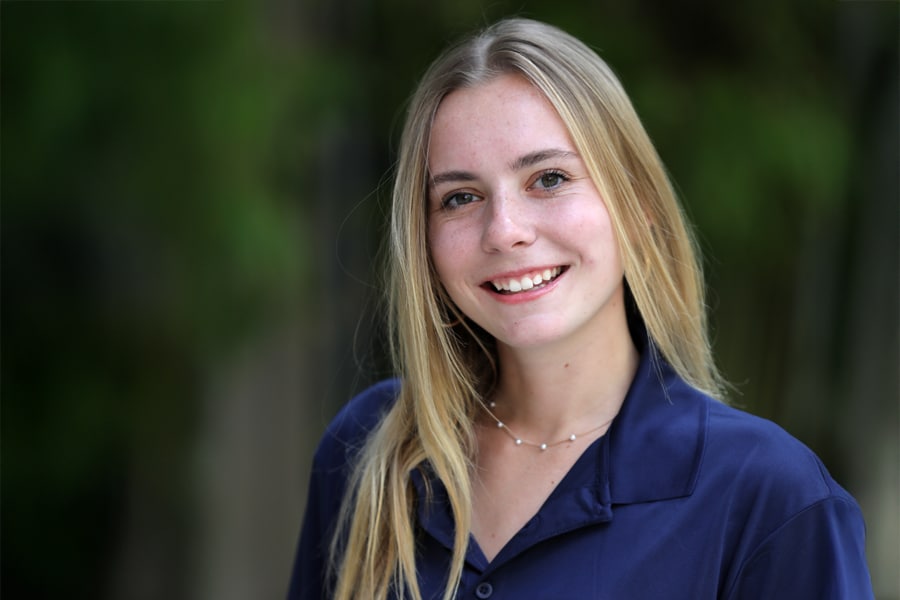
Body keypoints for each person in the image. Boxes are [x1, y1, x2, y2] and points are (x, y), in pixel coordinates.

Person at [288, 17, 873, 600]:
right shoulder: (370, 450)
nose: (505, 231)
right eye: (460, 197)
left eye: (548, 179)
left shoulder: (771, 500)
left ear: (637, 202)